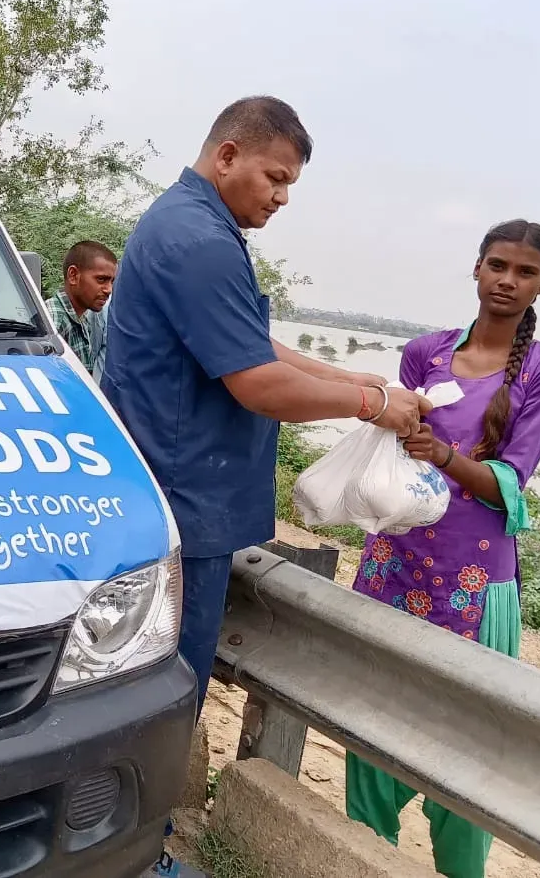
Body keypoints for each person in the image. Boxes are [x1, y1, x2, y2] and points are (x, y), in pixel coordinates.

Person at [102, 96, 430, 878]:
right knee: (163, 692)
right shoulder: (201, 239)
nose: (281, 197)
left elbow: (252, 341)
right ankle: (135, 856)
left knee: (155, 686)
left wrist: (342, 374)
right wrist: (372, 402)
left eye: (290, 184)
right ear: (227, 156)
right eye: (274, 177)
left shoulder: (192, 226)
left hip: (175, 491)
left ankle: (127, 846)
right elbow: (256, 382)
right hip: (184, 500)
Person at [345, 220, 540, 878]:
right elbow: (395, 449)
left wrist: (444, 453)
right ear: (476, 269)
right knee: (372, 727)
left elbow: (510, 484)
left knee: (468, 754)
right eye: (497, 265)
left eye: (524, 272)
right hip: (397, 560)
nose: (507, 280)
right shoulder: (424, 353)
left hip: (474, 580)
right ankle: (365, 857)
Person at [45, 240, 116, 373]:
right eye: (101, 279)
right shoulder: (54, 320)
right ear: (73, 275)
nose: (109, 290)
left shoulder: (82, 319)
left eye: (112, 282)